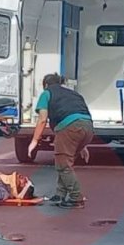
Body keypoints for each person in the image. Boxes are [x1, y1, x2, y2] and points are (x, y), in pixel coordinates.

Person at [28, 73, 94, 209]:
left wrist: (34, 141)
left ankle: (76, 198)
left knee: (63, 165)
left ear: (45, 85)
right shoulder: (73, 94)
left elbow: (42, 119)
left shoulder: (47, 94)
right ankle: (60, 194)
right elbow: (79, 115)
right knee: (65, 163)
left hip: (68, 127)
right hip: (88, 126)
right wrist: (82, 145)